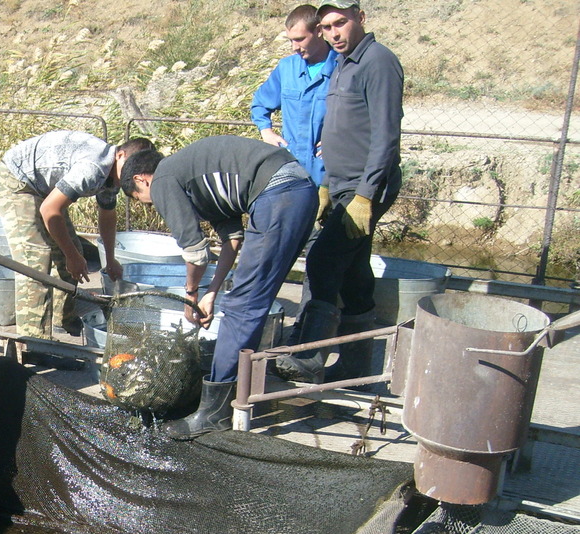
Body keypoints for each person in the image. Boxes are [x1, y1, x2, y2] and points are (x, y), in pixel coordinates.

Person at [120, 137, 318, 437]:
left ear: (141, 180)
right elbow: (232, 239)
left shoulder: (163, 179)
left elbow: (196, 252)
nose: (149, 205)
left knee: (243, 304)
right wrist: (211, 293)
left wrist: (190, 295)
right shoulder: (197, 176)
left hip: (278, 195)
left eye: (139, 198)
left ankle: (213, 413)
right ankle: (239, 392)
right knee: (253, 298)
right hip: (300, 190)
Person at [274, 0, 404, 384]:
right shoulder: (343, 64)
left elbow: (386, 135)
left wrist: (365, 195)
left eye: (340, 23)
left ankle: (310, 357)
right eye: (327, 26)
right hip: (343, 184)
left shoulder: (378, 62)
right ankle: (356, 365)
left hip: (365, 187)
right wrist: (328, 185)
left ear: (360, 19)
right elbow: (339, 130)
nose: (333, 33)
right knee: (353, 271)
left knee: (323, 260)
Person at [0, 131, 154, 344]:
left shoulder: (114, 176)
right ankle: (33, 343)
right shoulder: (93, 168)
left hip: (44, 188)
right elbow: (50, 210)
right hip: (17, 180)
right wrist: (72, 256)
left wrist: (111, 259)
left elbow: (107, 215)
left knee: (74, 249)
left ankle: (63, 320)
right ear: (120, 155)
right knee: (35, 259)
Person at [250, 4, 336, 188]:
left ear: (319, 30)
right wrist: (266, 131)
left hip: (328, 172)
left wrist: (341, 139)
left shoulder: (343, 67)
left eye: (299, 39)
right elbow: (260, 104)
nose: (294, 47)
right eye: (290, 40)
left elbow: (364, 116)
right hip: (290, 169)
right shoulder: (287, 68)